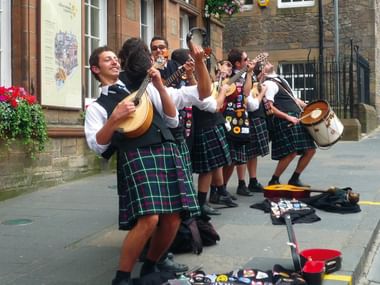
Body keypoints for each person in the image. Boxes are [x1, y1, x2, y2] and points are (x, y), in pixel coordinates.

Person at [85, 44, 200, 285]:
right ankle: (122, 277)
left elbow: (172, 119)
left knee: (174, 218)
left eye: (116, 58)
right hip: (136, 155)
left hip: (166, 148)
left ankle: (150, 267)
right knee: (150, 219)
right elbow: (98, 146)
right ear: (96, 69)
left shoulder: (143, 86)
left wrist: (159, 85)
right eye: (108, 60)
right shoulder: (97, 107)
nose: (115, 62)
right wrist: (114, 118)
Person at [256, 55, 316, 187]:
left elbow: (294, 99)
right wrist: (288, 117)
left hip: (297, 118)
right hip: (285, 121)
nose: (268, 62)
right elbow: (270, 108)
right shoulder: (268, 84)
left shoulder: (280, 80)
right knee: (291, 152)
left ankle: (295, 178)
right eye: (264, 64)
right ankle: (274, 180)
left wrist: (310, 108)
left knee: (310, 150)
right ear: (262, 72)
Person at [221, 49, 257, 198]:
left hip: (241, 118)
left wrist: (249, 73)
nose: (248, 61)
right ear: (238, 63)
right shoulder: (227, 71)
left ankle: (222, 188)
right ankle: (219, 189)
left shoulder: (245, 75)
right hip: (228, 117)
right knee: (229, 157)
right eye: (245, 59)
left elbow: (247, 93)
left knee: (236, 157)